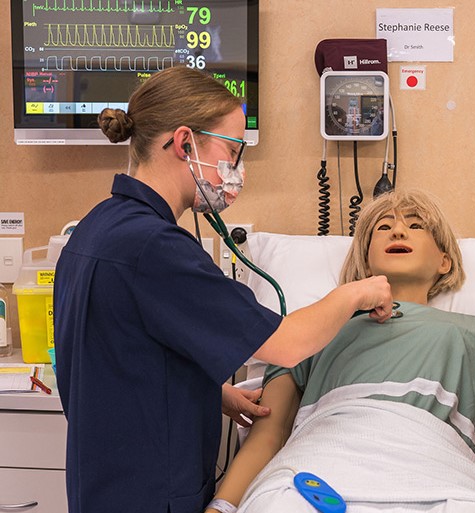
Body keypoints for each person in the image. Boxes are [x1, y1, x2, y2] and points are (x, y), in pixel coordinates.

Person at [53, 66, 392, 513]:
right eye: (232, 152)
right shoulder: (156, 248)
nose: (237, 171)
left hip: (102, 486)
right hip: (152, 493)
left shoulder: (96, 228)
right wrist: (357, 292)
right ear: (184, 143)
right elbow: (287, 345)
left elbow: (120, 358)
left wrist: (212, 394)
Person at [205, 189, 475, 513]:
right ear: (366, 258)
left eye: (416, 225)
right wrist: (221, 507)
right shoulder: (308, 332)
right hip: (318, 467)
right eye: (383, 227)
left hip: (443, 474)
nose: (398, 229)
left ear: (444, 261)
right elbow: (267, 435)